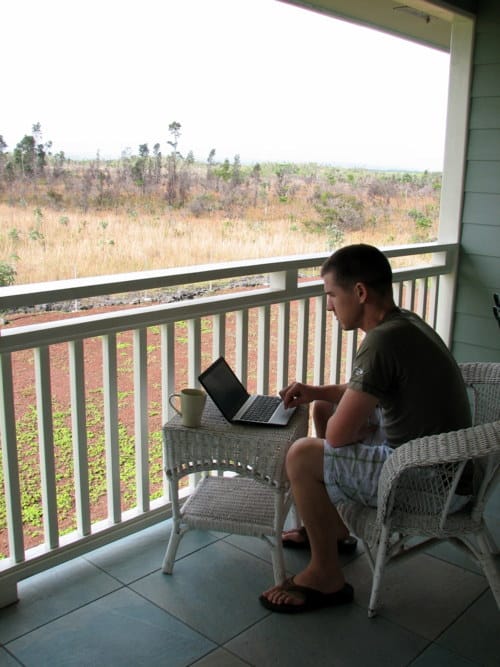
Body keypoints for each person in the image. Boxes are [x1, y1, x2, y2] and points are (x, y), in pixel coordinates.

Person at [259, 243, 472, 614]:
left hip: (431, 483)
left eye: (331, 295)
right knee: (324, 406)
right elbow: (359, 391)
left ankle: (326, 574)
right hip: (450, 466)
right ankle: (335, 531)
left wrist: (346, 437)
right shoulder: (403, 324)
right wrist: (314, 393)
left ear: (359, 292)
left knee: (303, 456)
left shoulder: (381, 341)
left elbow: (339, 436)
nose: (328, 306)